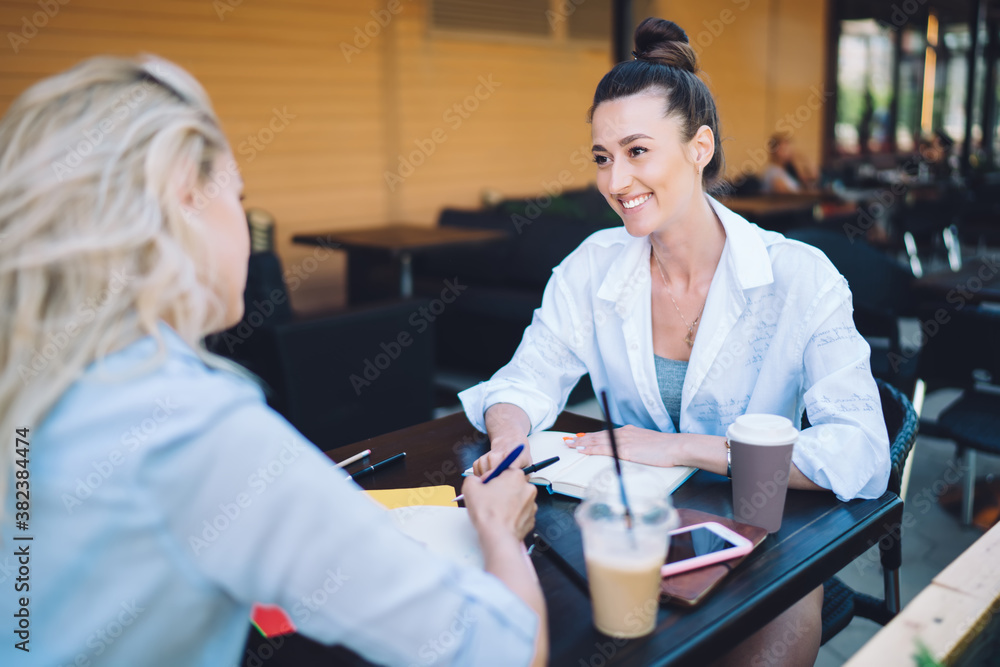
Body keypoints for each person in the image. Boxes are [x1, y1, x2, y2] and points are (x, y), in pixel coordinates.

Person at [0, 56, 546, 666]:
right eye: (238, 196)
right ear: (185, 198)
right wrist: (498, 527)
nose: (242, 218)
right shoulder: (193, 423)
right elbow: (502, 651)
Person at [462, 17, 890, 667]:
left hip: (760, 536)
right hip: (632, 530)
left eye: (637, 151)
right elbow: (525, 379)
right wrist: (505, 446)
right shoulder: (591, 266)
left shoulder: (800, 278)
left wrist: (682, 448)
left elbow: (861, 453)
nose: (614, 182)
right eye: (603, 158)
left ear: (699, 147)